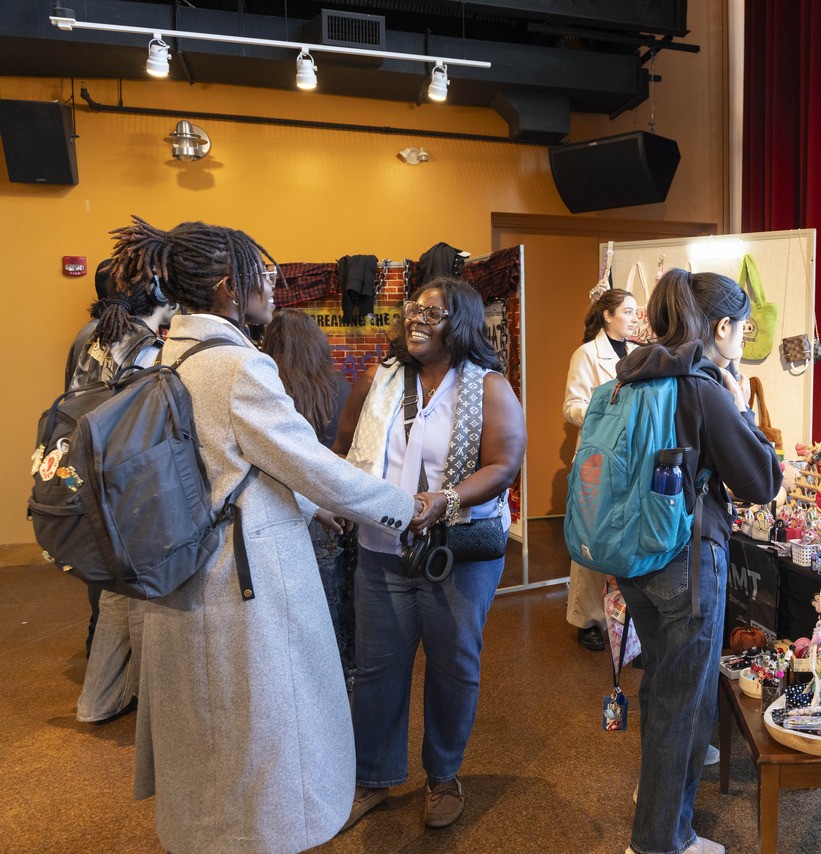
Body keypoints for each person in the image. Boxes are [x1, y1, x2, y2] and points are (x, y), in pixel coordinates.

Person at [110, 215, 428, 854]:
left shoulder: (165, 352)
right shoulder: (238, 367)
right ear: (229, 286)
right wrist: (402, 507)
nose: (276, 284)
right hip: (243, 580)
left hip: (182, 566)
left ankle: (200, 833)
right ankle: (266, 835)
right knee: (263, 724)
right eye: (265, 274)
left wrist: (316, 510)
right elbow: (308, 464)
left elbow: (237, 466)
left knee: (203, 724)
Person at [335, 275, 527, 832]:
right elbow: (344, 448)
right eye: (412, 310)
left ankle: (443, 775)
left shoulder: (489, 386)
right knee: (377, 669)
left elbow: (503, 465)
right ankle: (372, 776)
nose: (415, 319)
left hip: (458, 555)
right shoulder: (378, 380)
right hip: (381, 550)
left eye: (432, 313)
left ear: (461, 323)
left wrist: (444, 500)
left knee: (453, 666)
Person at [615, 268, 784, 854]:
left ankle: (658, 806)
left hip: (633, 555)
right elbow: (762, 480)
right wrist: (743, 408)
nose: (741, 342)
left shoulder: (633, 372)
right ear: (722, 326)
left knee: (664, 687)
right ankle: (662, 840)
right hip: (686, 560)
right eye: (740, 330)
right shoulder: (703, 385)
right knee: (683, 704)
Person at [67, 256, 177, 724]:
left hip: (85, 475)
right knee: (141, 594)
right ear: (155, 293)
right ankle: (154, 714)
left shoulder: (87, 334)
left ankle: (98, 702)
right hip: (127, 485)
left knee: (114, 593)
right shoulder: (149, 348)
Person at [261, 309, 356, 686]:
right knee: (339, 593)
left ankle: (303, 674)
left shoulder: (269, 389)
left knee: (293, 602)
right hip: (335, 506)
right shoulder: (341, 388)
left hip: (285, 508)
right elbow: (350, 455)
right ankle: (344, 671)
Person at [562, 288, 638, 651]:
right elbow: (571, 405)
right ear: (607, 315)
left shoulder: (640, 354)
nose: (634, 317)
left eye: (637, 311)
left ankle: (626, 618)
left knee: (623, 536)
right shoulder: (587, 353)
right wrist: (606, 412)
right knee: (590, 538)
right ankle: (587, 618)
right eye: (628, 311)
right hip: (596, 457)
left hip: (631, 457)